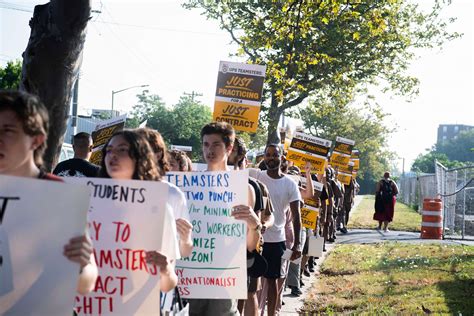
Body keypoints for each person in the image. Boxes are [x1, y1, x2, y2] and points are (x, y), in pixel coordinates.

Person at [0, 90, 98, 295]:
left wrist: (82, 264)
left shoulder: (58, 195)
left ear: (36, 140)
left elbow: (87, 283)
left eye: (8, 131)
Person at [187, 122, 261, 316]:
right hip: (191, 275)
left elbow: (250, 246)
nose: (209, 150)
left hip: (225, 278)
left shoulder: (243, 188)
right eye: (205, 144)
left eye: (215, 144)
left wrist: (255, 225)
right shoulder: (189, 186)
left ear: (229, 148)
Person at [98, 129, 178, 292]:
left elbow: (167, 285)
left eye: (122, 150)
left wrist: (166, 270)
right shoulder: (89, 203)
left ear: (140, 157)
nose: (112, 155)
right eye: (109, 150)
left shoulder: (159, 209)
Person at [250, 144, 302, 316]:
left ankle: (272, 313)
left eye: (275, 155)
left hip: (276, 240)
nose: (271, 158)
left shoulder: (290, 184)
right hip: (254, 239)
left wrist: (297, 245)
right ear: (264, 157)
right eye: (268, 155)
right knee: (252, 283)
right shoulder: (256, 176)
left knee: (273, 282)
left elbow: (296, 216)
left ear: (282, 158)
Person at [136, 127, 193, 258]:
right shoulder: (110, 191)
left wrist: (186, 239)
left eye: (145, 148)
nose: (138, 154)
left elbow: (185, 252)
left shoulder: (173, 194)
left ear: (158, 154)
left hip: (158, 275)